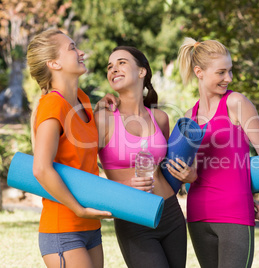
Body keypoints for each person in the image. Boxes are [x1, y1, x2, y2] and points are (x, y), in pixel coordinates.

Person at [170, 37, 259, 268]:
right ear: (199, 72)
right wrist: (187, 177)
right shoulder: (189, 116)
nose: (228, 78)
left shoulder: (236, 102)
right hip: (198, 213)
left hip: (235, 211)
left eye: (230, 71)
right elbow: (186, 168)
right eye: (221, 72)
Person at [27, 29, 116, 268]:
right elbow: (41, 169)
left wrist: (100, 112)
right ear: (54, 63)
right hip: (63, 228)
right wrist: (79, 209)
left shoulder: (81, 99)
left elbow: (84, 151)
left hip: (90, 227)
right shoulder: (52, 106)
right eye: (72, 48)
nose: (81, 52)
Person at [95, 46, 187, 268]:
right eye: (110, 66)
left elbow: (167, 167)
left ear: (142, 71)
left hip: (171, 212)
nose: (113, 69)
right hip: (132, 216)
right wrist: (125, 187)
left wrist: (187, 174)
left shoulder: (160, 118)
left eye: (121, 63)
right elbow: (84, 170)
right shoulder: (103, 119)